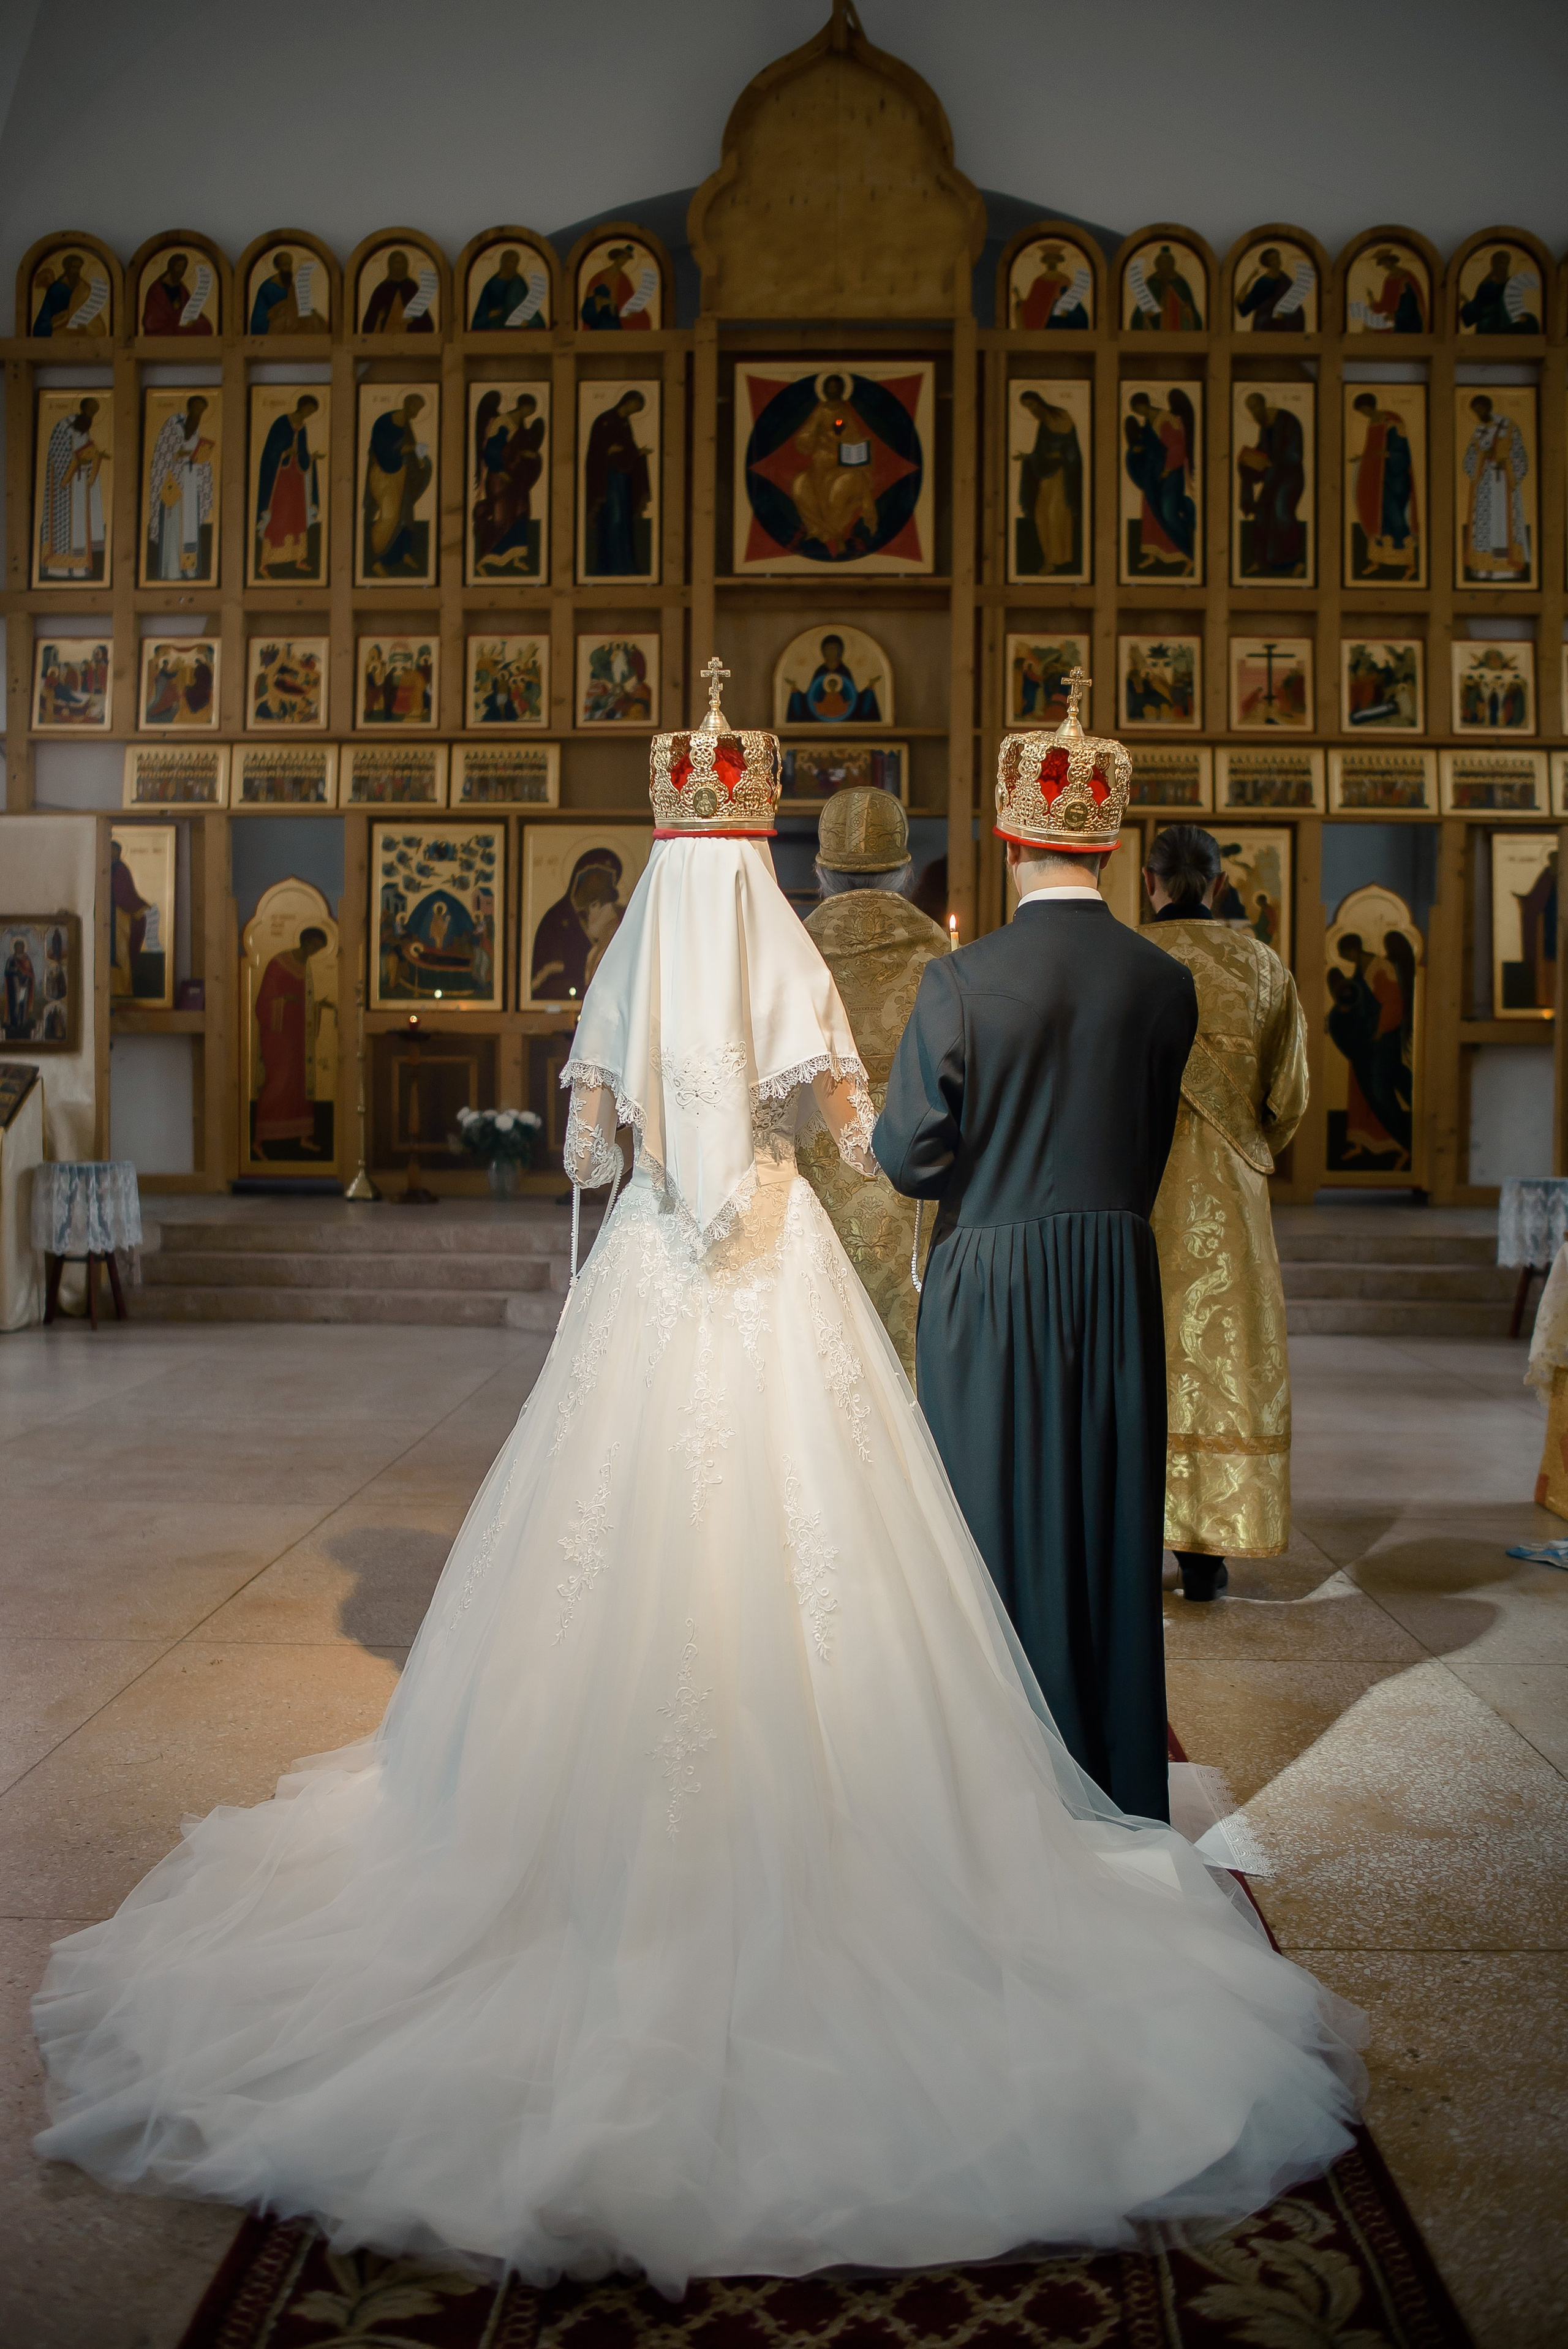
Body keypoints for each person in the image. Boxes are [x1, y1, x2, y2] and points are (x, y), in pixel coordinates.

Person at [32, 658, 1363, 2284]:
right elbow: (859, 1130)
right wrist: (827, 1144)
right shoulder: (799, 954)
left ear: (668, 841)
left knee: (609, 1536)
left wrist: (655, 1134)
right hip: (791, 1273)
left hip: (653, 1289)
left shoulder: (634, 956)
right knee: (835, 1536)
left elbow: (592, 1143)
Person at [875, 673, 1197, 1823]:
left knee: (986, 1524)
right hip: (1114, 1273)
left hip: (992, 1272)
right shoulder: (1166, 982)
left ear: (1013, 838)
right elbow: (1152, 1136)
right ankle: (1109, 1772)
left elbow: (911, 1157)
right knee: (1107, 1523)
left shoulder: (962, 979)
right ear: (1107, 847)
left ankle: (990, 1785)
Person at [1141, 826, 1308, 1601]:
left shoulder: (1131, 960)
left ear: (1150, 881)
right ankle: (1206, 1557)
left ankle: (1130, 1536)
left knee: (1141, 1355)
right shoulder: (1262, 966)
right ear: (1216, 882)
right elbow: (1289, 1097)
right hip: (1232, 1201)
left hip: (1135, 1188)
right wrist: (1244, 1150)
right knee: (1218, 1359)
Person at [799, 790, 948, 1381]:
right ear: (907, 872)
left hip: (809, 1200)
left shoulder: (789, 948)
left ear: (819, 871)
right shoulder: (943, 952)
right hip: (916, 1200)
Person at [1123, 390, 1196, 572]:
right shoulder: (1149, 422)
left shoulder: (1165, 420)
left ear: (1142, 405)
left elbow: (1177, 448)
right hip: (1154, 476)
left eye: (1137, 409)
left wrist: (1167, 470)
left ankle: (1187, 555)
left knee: (1168, 514)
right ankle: (1152, 554)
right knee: (1150, 513)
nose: (1138, 413)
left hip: (1170, 474)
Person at [1013, 388, 1082, 576]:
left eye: (1031, 405)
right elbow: (1043, 453)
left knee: (1055, 515)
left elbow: (1069, 448)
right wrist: (1029, 457)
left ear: (1039, 401)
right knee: (1042, 516)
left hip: (1062, 474)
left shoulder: (1060, 416)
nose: (1030, 410)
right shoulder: (1045, 423)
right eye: (1026, 407)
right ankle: (1051, 558)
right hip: (1048, 475)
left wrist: (1051, 456)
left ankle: (1055, 560)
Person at [1236, 392, 1306, 576]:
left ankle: (1297, 561)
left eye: (1256, 408)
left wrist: (1271, 461)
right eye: (1251, 410)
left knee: (1282, 513)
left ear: (1263, 404)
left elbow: (1295, 454)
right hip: (1272, 478)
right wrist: (1249, 459)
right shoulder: (1264, 426)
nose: (1254, 413)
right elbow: (1263, 449)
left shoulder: (1288, 420)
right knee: (1261, 515)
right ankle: (1262, 561)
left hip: (1290, 478)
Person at [583, 391, 652, 575]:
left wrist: (638, 454)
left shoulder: (624, 424)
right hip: (608, 479)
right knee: (613, 518)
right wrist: (608, 450)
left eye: (637, 410)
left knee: (623, 520)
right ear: (627, 402)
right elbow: (595, 452)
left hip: (622, 478)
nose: (634, 411)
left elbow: (627, 449)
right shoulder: (604, 420)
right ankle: (610, 564)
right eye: (634, 407)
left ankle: (624, 563)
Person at [1350, 392, 1417, 576]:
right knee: (1379, 518)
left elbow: (1404, 451)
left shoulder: (1392, 421)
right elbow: (1373, 450)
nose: (1365, 415)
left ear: (1371, 407)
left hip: (1396, 478)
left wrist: (1389, 454)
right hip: (1377, 479)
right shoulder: (1373, 423)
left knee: (1396, 519)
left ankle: (1409, 564)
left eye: (1365, 411)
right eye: (1362, 412)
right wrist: (1363, 457)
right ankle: (1377, 560)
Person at [254, 395, 321, 576]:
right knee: (279, 515)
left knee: (297, 515)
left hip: (297, 476)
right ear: (302, 406)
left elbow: (303, 453)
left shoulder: (303, 428)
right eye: (309, 409)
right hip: (280, 477)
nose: (309, 414)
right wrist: (284, 452)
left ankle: (298, 558)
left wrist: (312, 458)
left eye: (313, 412)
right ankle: (264, 563)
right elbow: (269, 452)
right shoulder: (282, 423)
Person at [1235, 247, 1306, 330]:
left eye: (1278, 258)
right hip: (1266, 325)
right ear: (1268, 263)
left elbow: (1293, 300)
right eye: (1273, 259)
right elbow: (1250, 304)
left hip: (1286, 324)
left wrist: (1287, 313)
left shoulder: (1285, 278)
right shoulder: (1263, 282)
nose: (1278, 261)